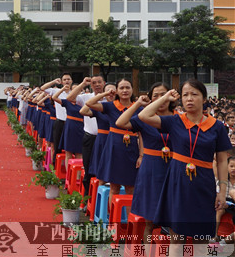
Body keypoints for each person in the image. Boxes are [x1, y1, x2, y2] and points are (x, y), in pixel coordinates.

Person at [139, 80, 231, 246]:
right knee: (177, 239)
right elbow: (144, 116)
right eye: (185, 95)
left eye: (194, 94)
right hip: (177, 183)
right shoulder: (175, 121)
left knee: (200, 239)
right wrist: (165, 97)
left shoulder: (217, 126)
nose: (189, 99)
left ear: (204, 99)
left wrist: (222, 190)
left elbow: (222, 160)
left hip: (204, 183)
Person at [116, 82, 175, 244]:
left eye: (164, 94)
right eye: (156, 95)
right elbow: (120, 122)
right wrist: (137, 105)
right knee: (149, 220)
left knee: (173, 219)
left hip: (173, 169)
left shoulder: (179, 118)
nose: (161, 98)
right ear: (150, 98)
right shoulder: (143, 118)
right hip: (151, 169)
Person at [86, 78, 141, 206]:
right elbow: (89, 103)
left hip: (132, 149)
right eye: (121, 88)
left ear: (132, 89)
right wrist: (105, 94)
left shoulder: (137, 108)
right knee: (114, 188)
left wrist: (142, 155)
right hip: (113, 148)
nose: (125, 90)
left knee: (130, 188)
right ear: (116, 91)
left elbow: (141, 134)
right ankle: (112, 222)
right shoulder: (110, 106)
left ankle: (128, 223)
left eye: (128, 87)